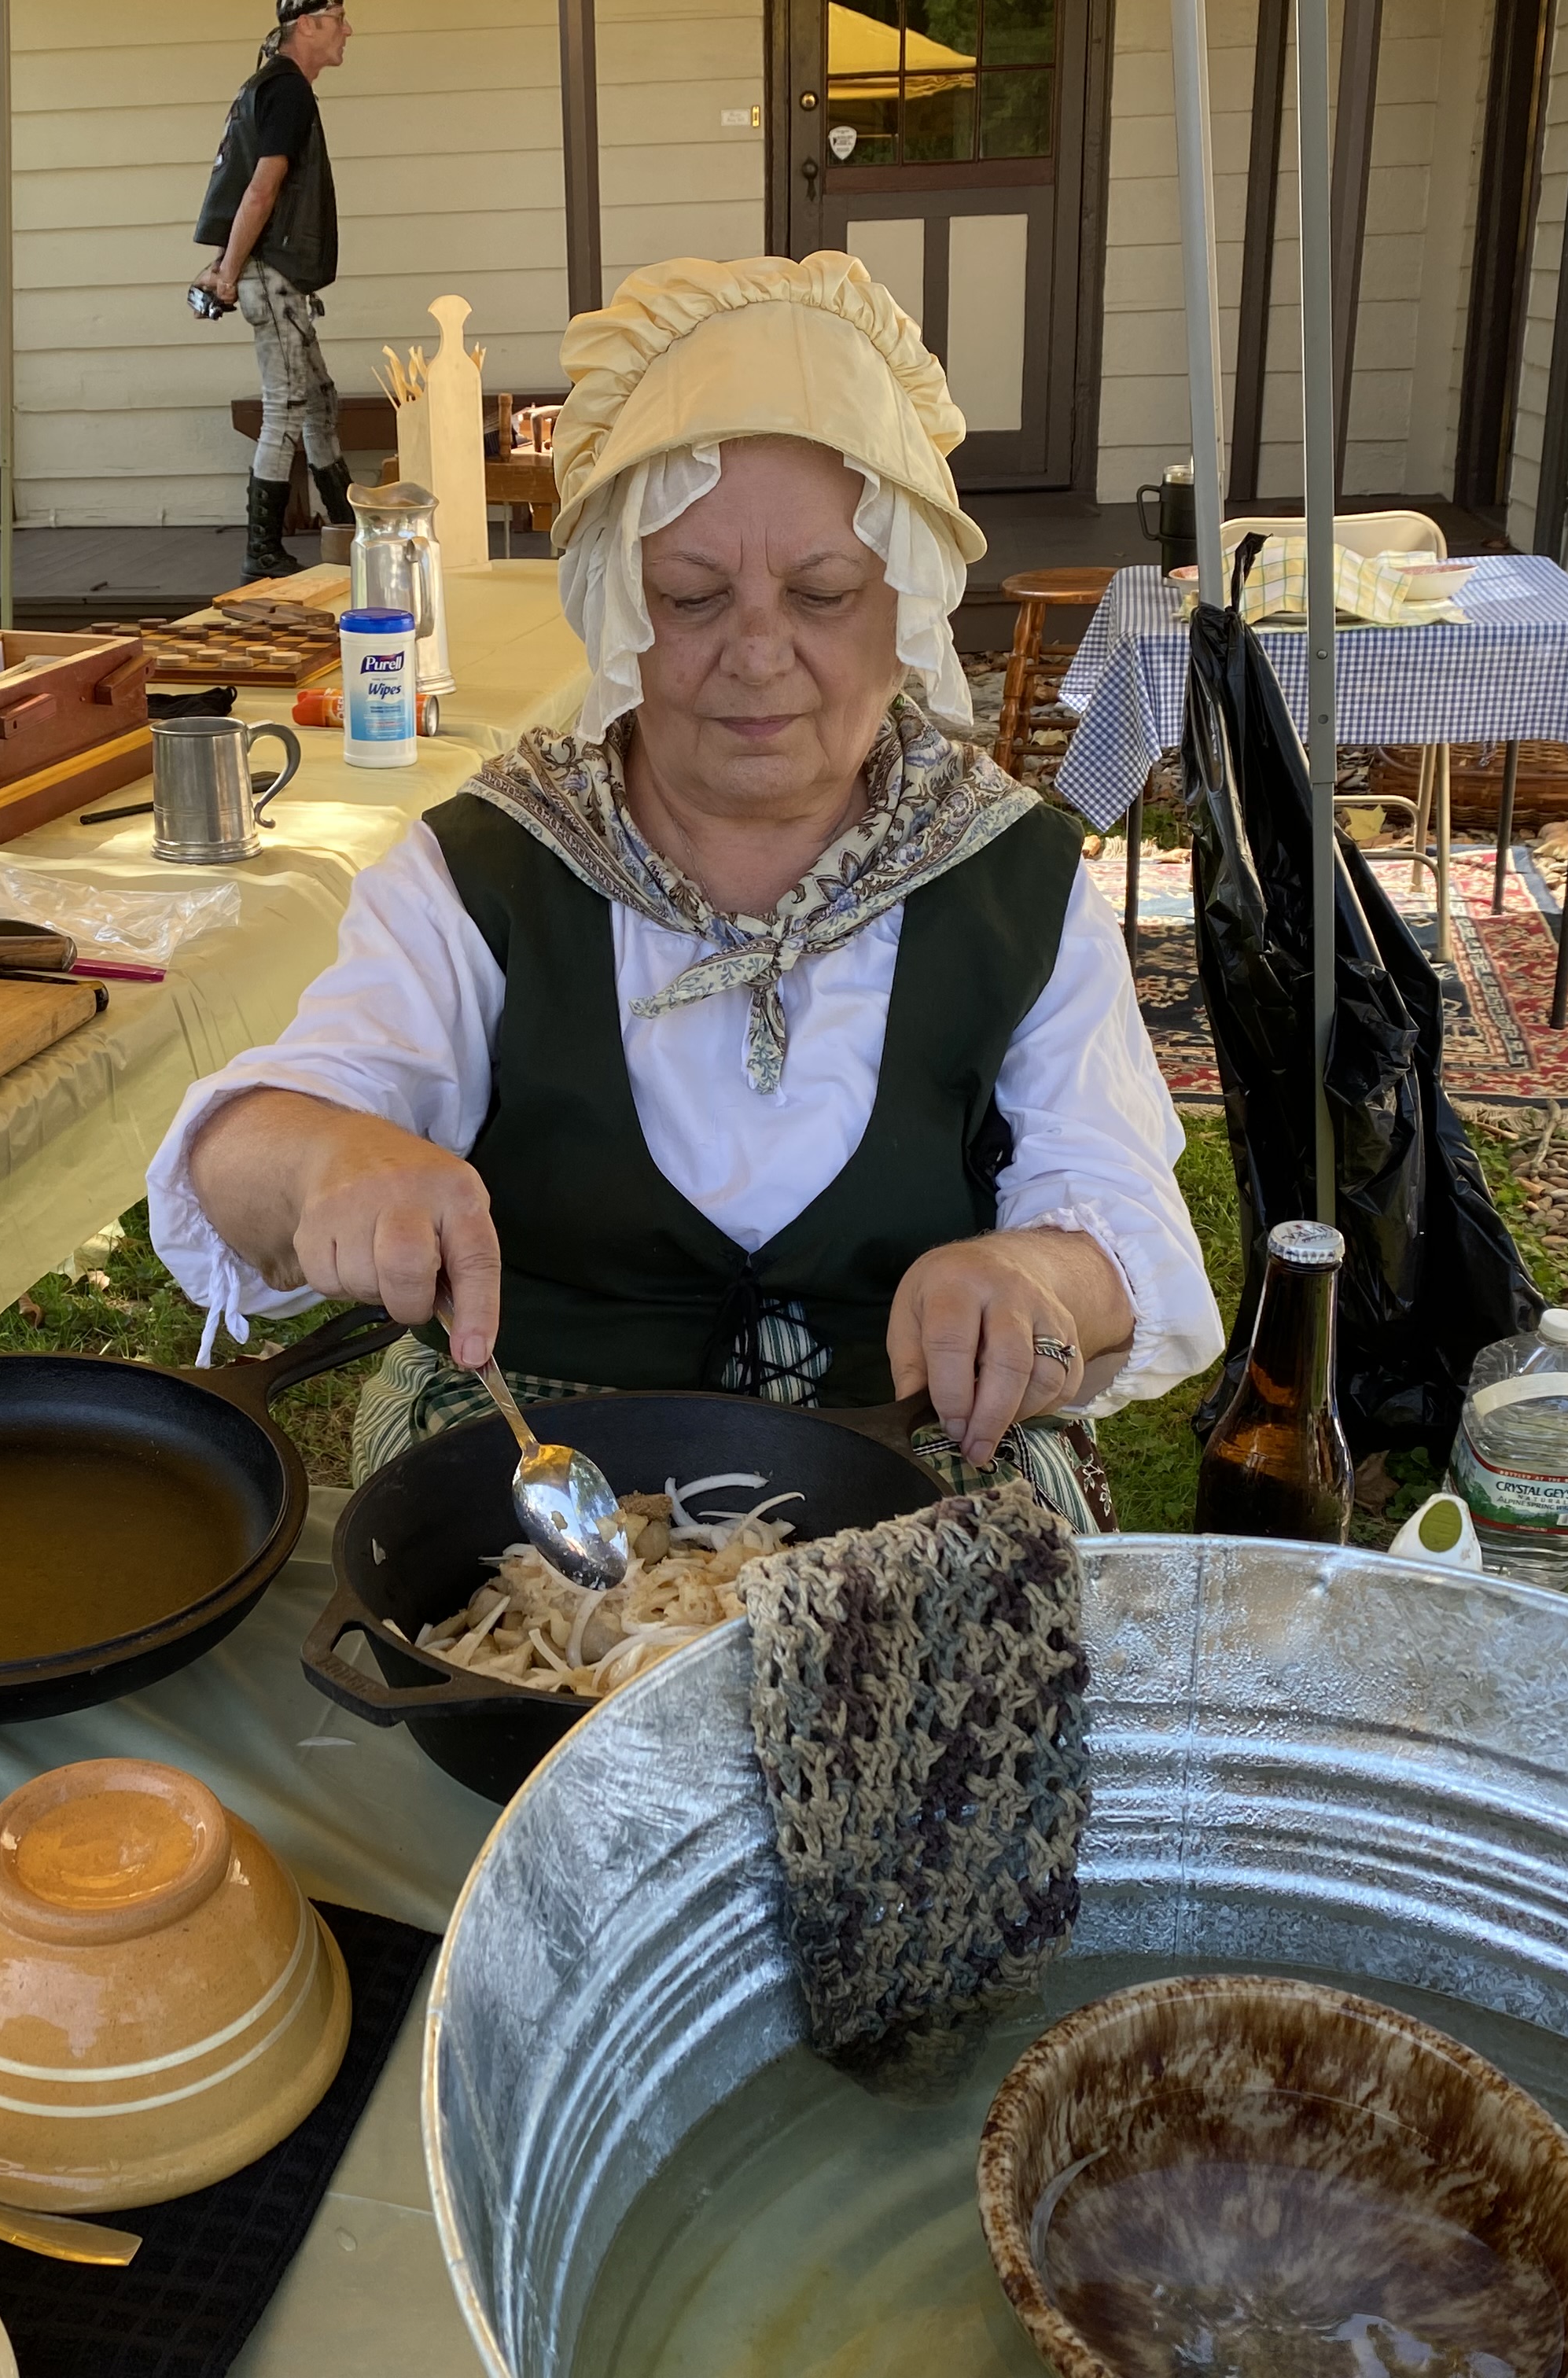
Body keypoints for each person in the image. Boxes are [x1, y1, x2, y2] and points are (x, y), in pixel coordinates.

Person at [148, 256, 1224, 1523]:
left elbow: (1124, 1224)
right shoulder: (493, 867)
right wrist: (331, 1159)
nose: (759, 653)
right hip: (534, 1498)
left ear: (909, 609)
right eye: (692, 595)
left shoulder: (1011, 883)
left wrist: (1040, 1284)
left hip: (904, 1477)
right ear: (617, 605)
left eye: (823, 595)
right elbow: (254, 1147)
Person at [193, 0, 355, 583]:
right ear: (307, 24)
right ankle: (262, 549)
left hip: (271, 270)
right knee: (286, 405)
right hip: (274, 273)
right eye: (338, 19)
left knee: (320, 400)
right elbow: (261, 190)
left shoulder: (262, 87)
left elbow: (239, 187)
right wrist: (229, 274)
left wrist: (223, 265)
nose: (348, 31)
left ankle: (344, 523)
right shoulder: (287, 90)